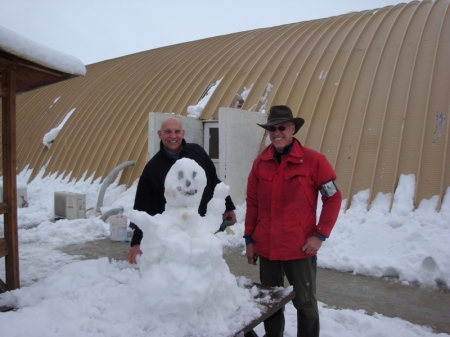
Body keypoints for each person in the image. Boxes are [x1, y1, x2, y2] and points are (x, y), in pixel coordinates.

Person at [244, 105, 342, 337]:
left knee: (305, 303)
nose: (276, 133)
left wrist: (320, 235)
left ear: (292, 128)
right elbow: (252, 203)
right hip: (267, 248)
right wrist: (249, 238)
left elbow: (333, 197)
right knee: (271, 302)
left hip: (299, 248)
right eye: (272, 129)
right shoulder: (260, 163)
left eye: (282, 127)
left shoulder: (314, 161)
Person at [128, 116, 237, 264]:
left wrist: (228, 207)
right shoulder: (153, 168)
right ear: (160, 134)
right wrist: (137, 242)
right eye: (168, 132)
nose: (173, 136)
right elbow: (144, 207)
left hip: (201, 227)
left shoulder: (197, 152)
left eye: (177, 131)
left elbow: (214, 179)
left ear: (183, 133)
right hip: (174, 236)